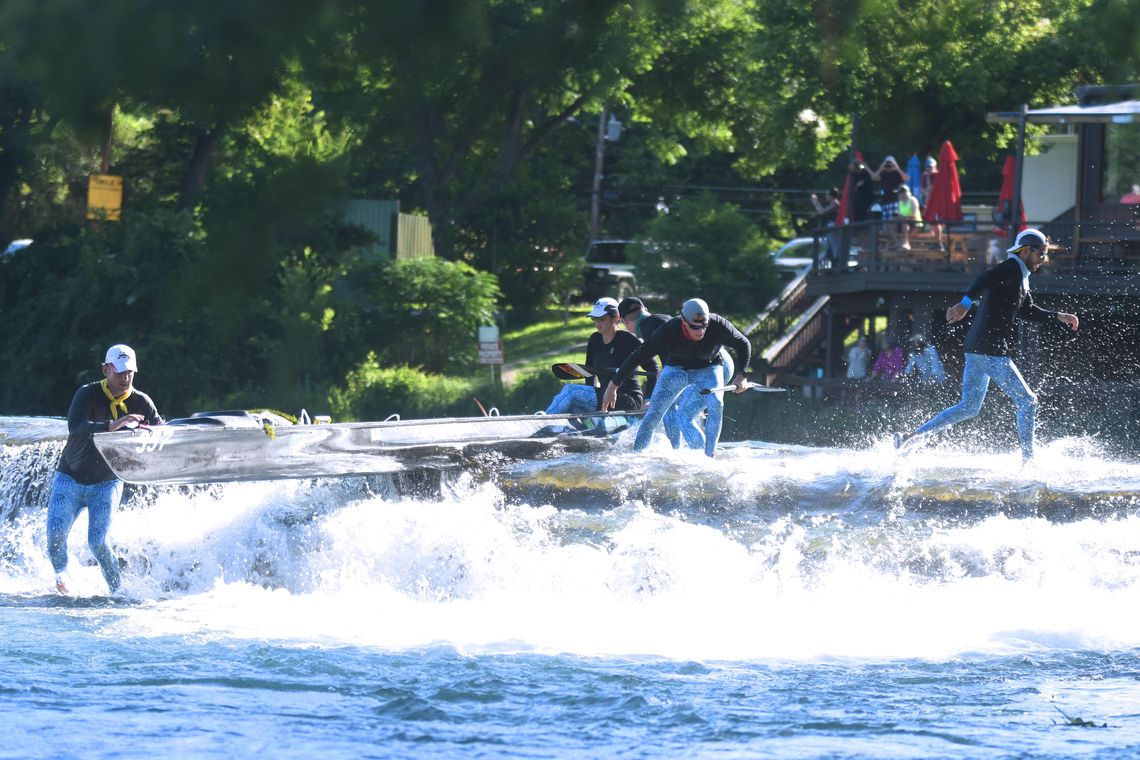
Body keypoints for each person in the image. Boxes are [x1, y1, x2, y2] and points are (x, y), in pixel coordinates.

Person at [893, 229, 1079, 461]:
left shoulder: (1021, 276)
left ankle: (910, 438)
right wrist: (965, 303)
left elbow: (1026, 310)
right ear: (1026, 251)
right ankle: (1029, 462)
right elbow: (982, 280)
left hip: (977, 349)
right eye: (1041, 253)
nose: (1044, 259)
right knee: (1027, 401)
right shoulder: (1011, 267)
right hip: (991, 350)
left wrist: (1058, 316)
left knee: (969, 407)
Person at [48, 344, 162, 595]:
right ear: (106, 369)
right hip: (70, 477)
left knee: (97, 543)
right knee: (55, 537)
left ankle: (117, 592)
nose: (125, 377)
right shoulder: (87, 394)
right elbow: (75, 428)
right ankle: (62, 581)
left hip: (107, 482)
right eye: (119, 371)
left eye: (130, 372)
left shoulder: (142, 401)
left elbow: (161, 431)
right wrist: (114, 425)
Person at [602, 298, 750, 458]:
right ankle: (637, 458)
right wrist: (613, 386)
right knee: (653, 414)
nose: (700, 331)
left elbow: (743, 343)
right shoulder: (669, 329)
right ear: (684, 322)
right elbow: (638, 356)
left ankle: (709, 459)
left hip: (709, 367)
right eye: (694, 327)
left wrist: (742, 375)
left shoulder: (717, 324)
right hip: (676, 370)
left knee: (716, 404)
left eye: (703, 326)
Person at [545, 298, 657, 415]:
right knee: (573, 406)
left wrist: (648, 399)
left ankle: (544, 420)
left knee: (570, 390)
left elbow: (653, 370)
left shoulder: (630, 340)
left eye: (602, 319)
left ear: (616, 318)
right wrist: (589, 393)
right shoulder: (595, 339)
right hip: (603, 396)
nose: (598, 323)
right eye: (595, 319)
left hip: (627, 398)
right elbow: (589, 372)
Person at [872, 156, 908, 248]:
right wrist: (881, 168)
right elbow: (874, 178)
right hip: (885, 201)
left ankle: (900, 242)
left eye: (890, 164)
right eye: (887, 163)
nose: (889, 166)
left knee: (894, 221)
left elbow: (906, 178)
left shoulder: (897, 173)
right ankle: (893, 243)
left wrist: (896, 168)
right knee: (887, 224)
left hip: (895, 200)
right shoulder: (883, 173)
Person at [896, 185, 923, 250]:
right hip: (904, 222)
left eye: (901, 193)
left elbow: (913, 214)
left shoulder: (913, 200)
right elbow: (899, 214)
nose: (900, 195)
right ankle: (897, 243)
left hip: (915, 223)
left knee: (905, 222)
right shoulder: (900, 202)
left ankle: (905, 242)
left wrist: (904, 217)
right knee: (890, 225)